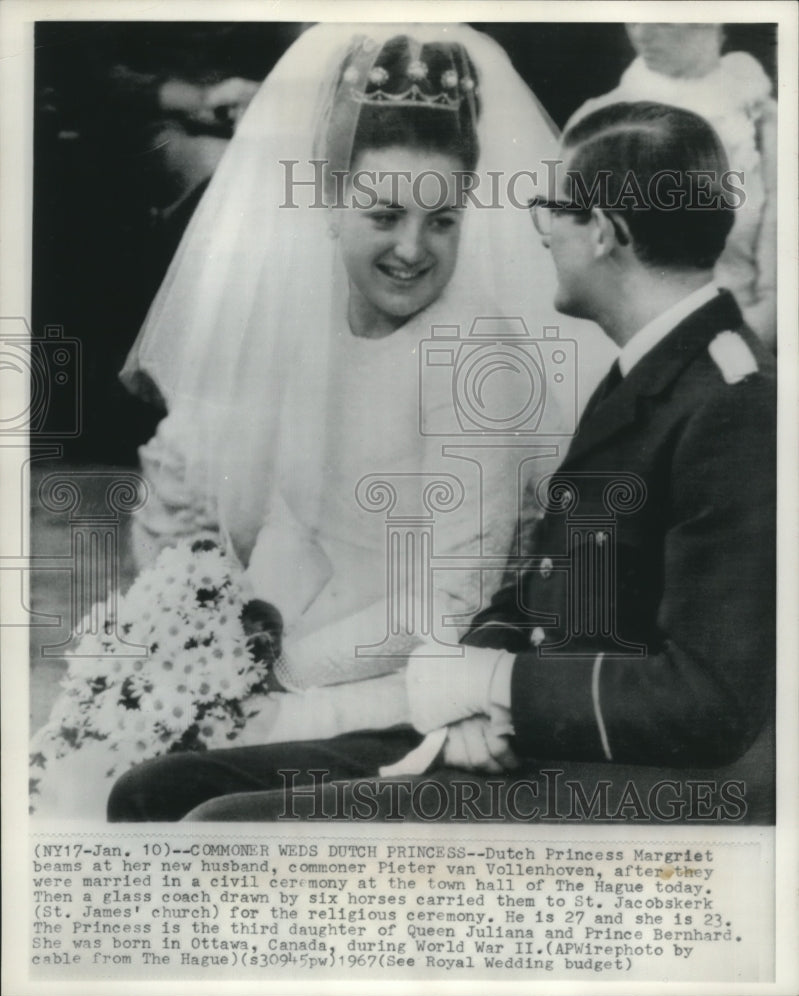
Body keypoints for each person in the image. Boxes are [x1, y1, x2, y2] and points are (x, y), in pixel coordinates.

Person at [108, 100, 776, 822]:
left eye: (551, 207)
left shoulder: (731, 405)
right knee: (154, 791)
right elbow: (550, 585)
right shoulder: (652, 371)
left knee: (216, 828)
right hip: (532, 736)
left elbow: (710, 704)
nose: (540, 232)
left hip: (612, 778)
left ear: (605, 235)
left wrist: (496, 689)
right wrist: (473, 687)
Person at [117, 25, 610, 746]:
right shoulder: (312, 319)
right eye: (384, 214)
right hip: (305, 644)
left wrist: (281, 676)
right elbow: (295, 519)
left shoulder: (477, 357)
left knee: (182, 773)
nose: (413, 249)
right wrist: (228, 650)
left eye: (441, 221)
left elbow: (450, 602)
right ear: (328, 197)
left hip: (418, 677)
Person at [565, 23, 777, 349]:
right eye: (633, 15)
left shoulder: (762, 118)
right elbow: (574, 257)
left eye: (662, 18)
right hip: (624, 344)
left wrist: (728, 357)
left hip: (743, 343)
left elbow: (780, 285)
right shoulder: (597, 120)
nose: (641, 32)